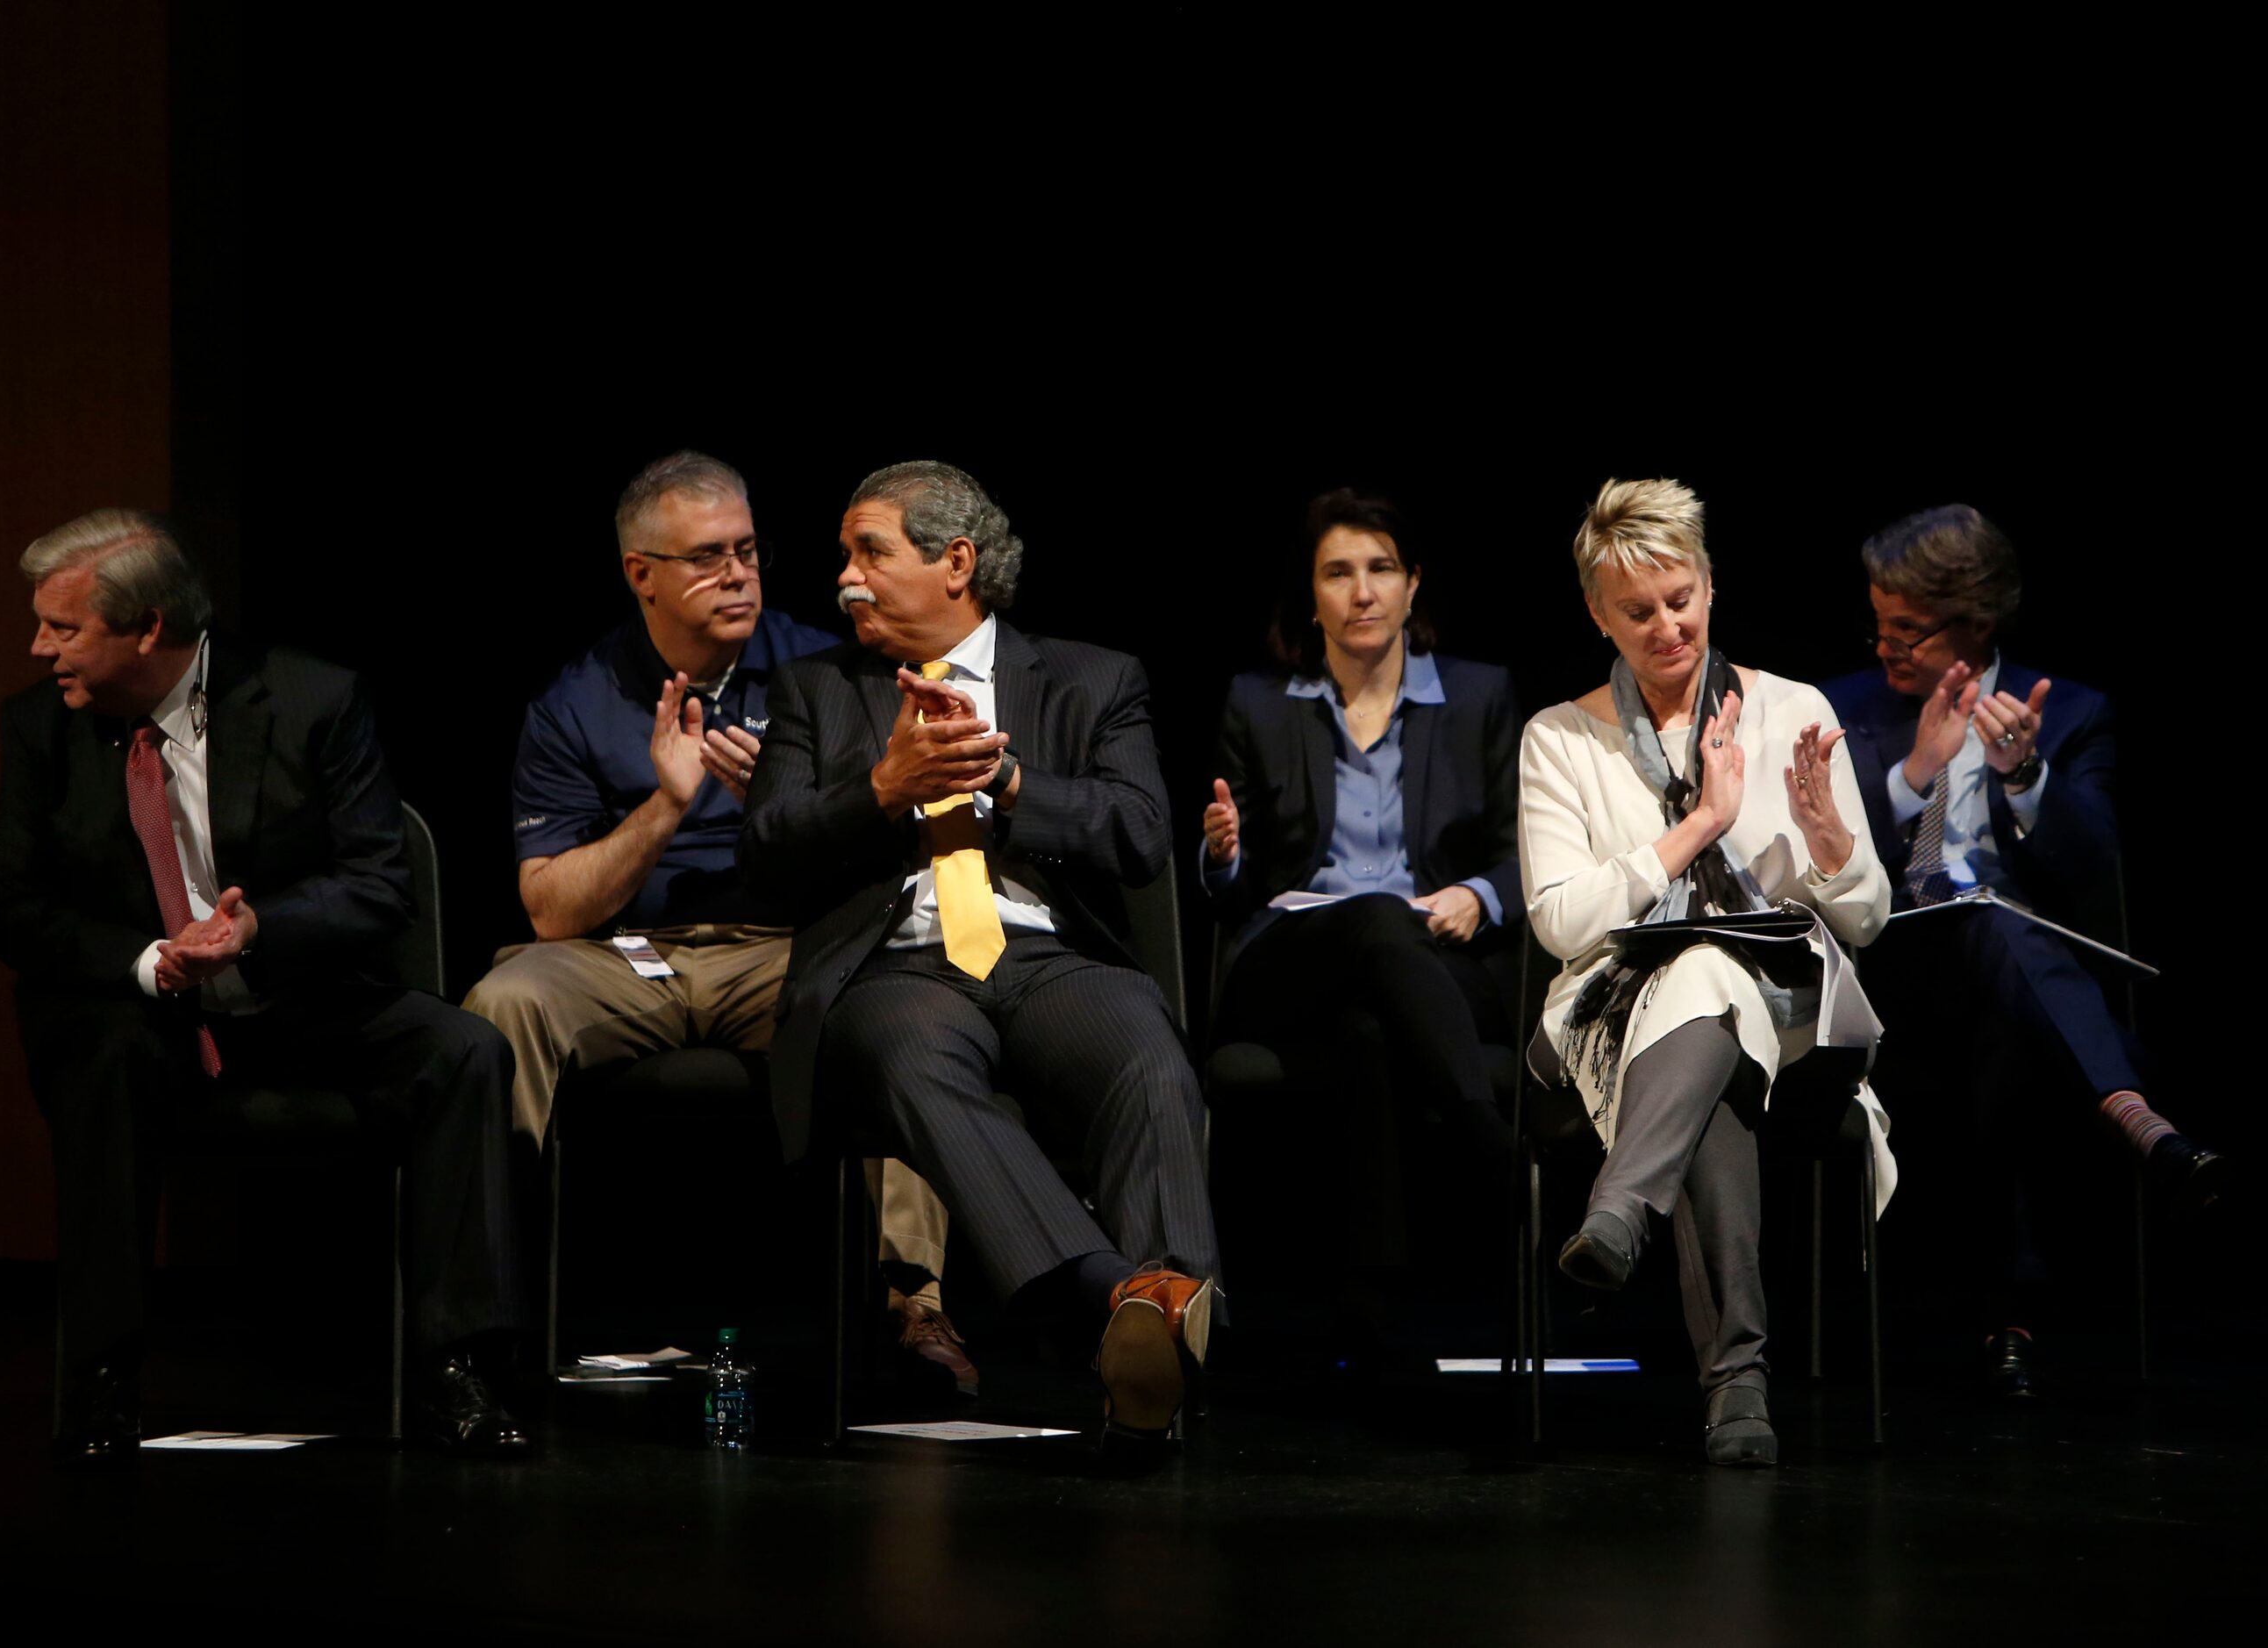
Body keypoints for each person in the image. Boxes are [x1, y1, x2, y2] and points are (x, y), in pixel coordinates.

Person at [0, 509, 535, 1462]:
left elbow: (378, 881)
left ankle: (460, 1373)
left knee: (466, 1051)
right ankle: (103, 1379)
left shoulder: (312, 698)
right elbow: (17, 913)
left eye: (62, 627)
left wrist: (255, 929)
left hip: (293, 996)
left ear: (147, 627)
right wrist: (153, 962)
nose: (40, 649)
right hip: (140, 1012)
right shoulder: (41, 729)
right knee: (102, 1056)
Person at [460, 451, 970, 1393]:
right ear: (641, 574)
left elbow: (887, 852)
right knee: (503, 1002)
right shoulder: (576, 701)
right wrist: (664, 807)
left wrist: (788, 809)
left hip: (782, 951)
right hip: (621, 957)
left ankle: (916, 1308)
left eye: (747, 550)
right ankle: (484, 1320)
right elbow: (548, 908)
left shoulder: (829, 675)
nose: (738, 574)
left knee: (905, 1003)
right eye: (706, 557)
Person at [740, 460, 1220, 1456]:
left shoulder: (1092, 679)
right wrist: (883, 787)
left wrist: (1005, 778)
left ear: (956, 562)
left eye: (871, 552)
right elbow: (769, 851)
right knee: (913, 1057)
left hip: (1049, 957)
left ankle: (1151, 1370)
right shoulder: (818, 690)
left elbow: (1138, 836)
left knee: (1144, 1049)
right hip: (901, 965)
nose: (848, 579)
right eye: (845, 556)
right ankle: (1127, 1307)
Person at [1519, 478, 1893, 1466]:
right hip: (1621, 1015)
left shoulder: (1792, 710)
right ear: (1599, 614)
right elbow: (1562, 925)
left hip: (1794, 1022)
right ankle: (1738, 1393)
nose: (1666, 625)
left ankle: (1619, 1210)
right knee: (1701, 993)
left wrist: (1827, 841)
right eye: (1637, 611)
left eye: (1680, 598)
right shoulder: (1559, 738)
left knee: (1714, 975)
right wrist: (1698, 829)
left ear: (1711, 587)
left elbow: (1866, 916)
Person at [1821, 503, 2221, 1396]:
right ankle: (2137, 1119)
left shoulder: (2069, 713)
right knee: (1989, 923)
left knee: (2001, 941)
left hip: (2017, 997)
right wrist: (1912, 776)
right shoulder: (1841, 710)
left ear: (1975, 623)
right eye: (1878, 625)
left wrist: (2026, 777)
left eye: (1908, 631)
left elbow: (2094, 870)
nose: (1885, 646)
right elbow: (1821, 869)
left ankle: (2007, 1319)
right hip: (1888, 975)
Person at [1200, 488, 1521, 1270]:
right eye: (1338, 573)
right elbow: (1234, 897)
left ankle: (1368, 1313)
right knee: (1375, 917)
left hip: (1436, 954)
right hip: (1293, 958)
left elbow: (1528, 855)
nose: (1363, 592)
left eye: (1381, 569)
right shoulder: (1260, 703)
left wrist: (1477, 896)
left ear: (1413, 584)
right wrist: (1225, 857)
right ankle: (1492, 1146)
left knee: (1371, 1032)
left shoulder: (1480, 696)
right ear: (1312, 598)